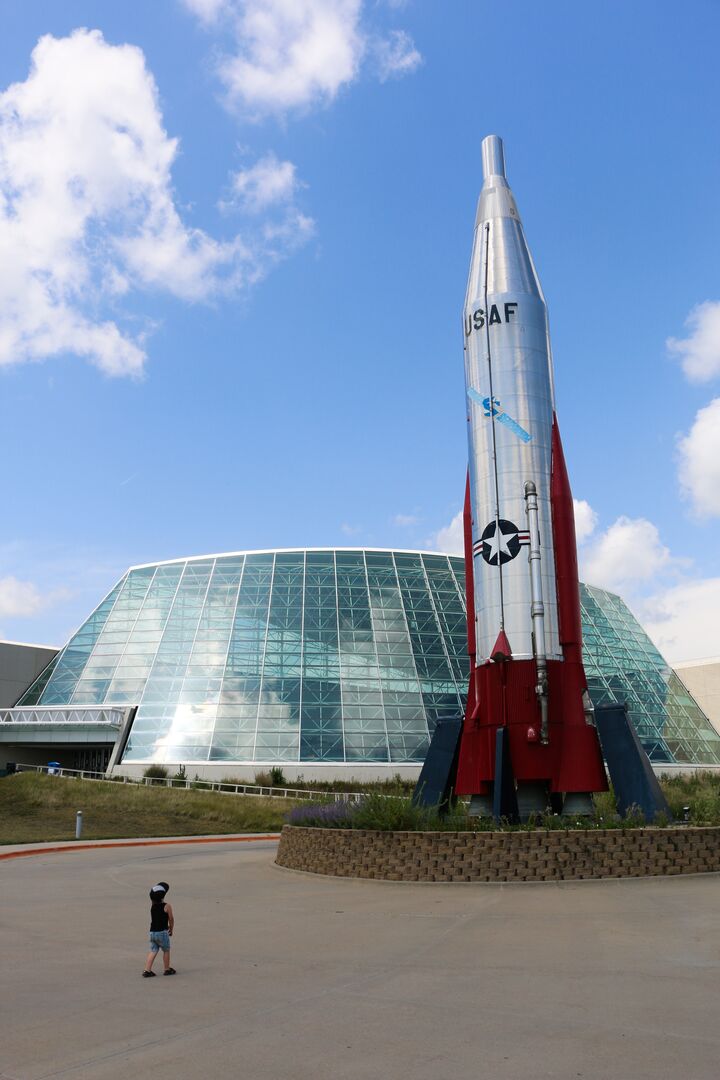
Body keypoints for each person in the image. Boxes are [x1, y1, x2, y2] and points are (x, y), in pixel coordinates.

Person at [142, 881, 176, 977]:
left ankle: (147, 970)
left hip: (152, 932)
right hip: (162, 933)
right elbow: (171, 919)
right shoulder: (166, 906)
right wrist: (171, 928)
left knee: (153, 950)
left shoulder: (152, 906)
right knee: (166, 950)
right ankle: (167, 969)